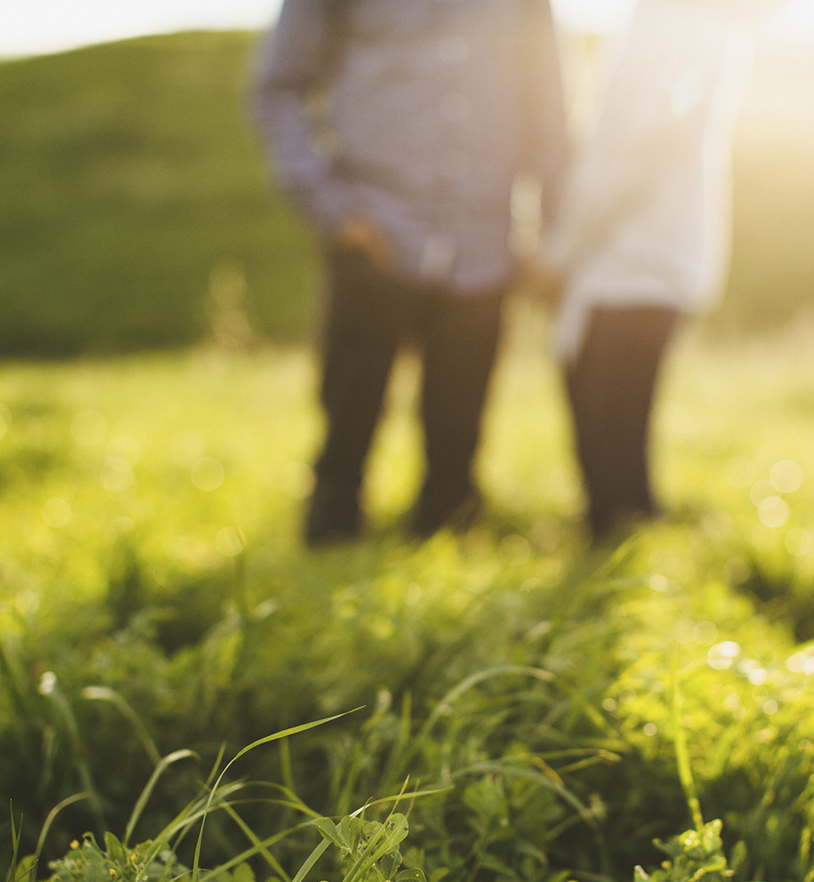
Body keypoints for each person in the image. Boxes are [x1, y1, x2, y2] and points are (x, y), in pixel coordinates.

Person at [252, 0, 568, 544]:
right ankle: (329, 552)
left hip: (485, 244)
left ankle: (446, 556)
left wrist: (550, 227)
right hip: (376, 233)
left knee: (459, 440)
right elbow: (279, 88)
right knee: (346, 429)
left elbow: (550, 110)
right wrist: (331, 206)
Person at [535, 0, 759, 540]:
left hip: (642, 266)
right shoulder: (659, 22)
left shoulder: (689, 27)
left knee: (613, 442)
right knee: (599, 423)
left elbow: (640, 152)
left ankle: (627, 565)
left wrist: (561, 250)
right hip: (618, 264)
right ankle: (612, 552)